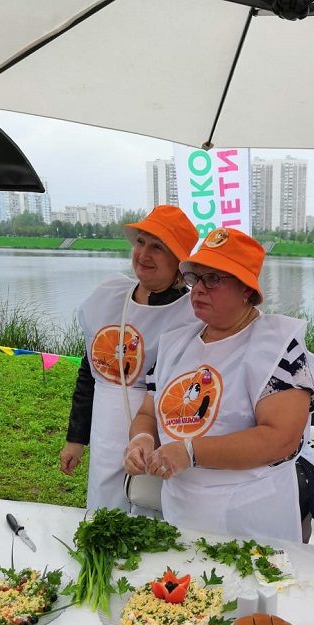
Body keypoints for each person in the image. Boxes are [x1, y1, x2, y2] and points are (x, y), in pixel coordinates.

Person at [123, 227, 314, 542]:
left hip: (252, 519)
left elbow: (281, 439)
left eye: (213, 279)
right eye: (195, 278)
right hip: (182, 512)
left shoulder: (276, 349)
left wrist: (191, 451)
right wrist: (141, 440)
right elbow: (149, 413)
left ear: (246, 289)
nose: (198, 289)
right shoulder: (174, 345)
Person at [60, 205, 198, 512]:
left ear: (180, 263)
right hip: (104, 430)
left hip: (155, 433)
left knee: (146, 510)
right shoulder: (109, 297)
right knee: (103, 510)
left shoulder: (192, 315)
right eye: (141, 242)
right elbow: (89, 374)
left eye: (158, 247)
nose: (143, 254)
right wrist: (76, 440)